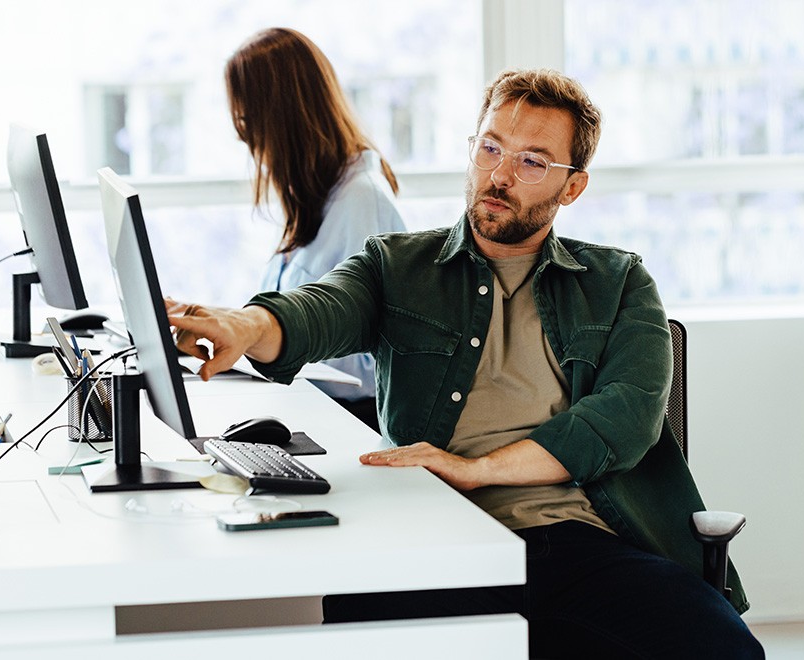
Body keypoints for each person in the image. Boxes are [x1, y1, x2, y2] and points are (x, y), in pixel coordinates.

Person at [171, 68, 763, 659]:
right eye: (490, 148)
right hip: (441, 536)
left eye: (532, 162)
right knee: (360, 636)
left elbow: (626, 420)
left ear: (573, 186)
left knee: (727, 652)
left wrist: (475, 470)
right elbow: (317, 312)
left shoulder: (619, 282)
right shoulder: (398, 266)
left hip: (583, 541)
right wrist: (244, 325)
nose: (499, 175)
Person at [224, 27, 406, 431]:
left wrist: (270, 338)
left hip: (347, 418)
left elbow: (366, 358)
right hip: (304, 405)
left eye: (247, 121)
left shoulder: (361, 200)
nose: (246, 140)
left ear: (281, 119)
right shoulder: (314, 196)